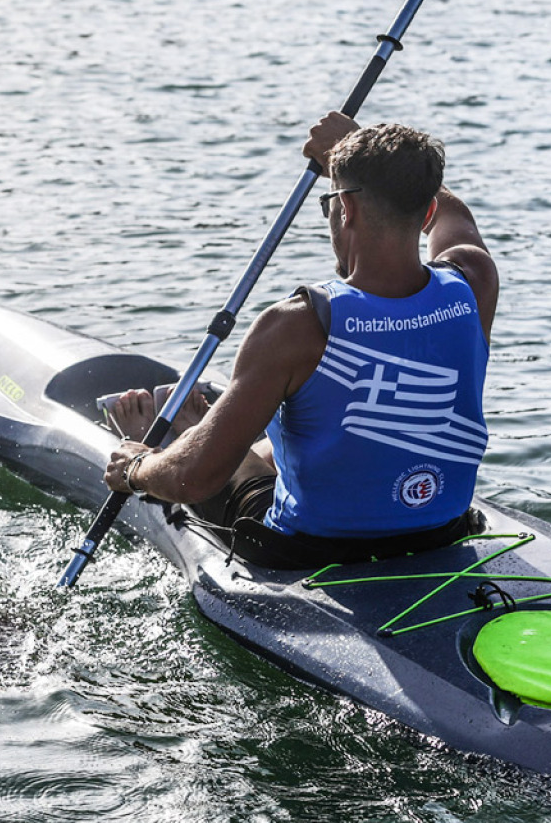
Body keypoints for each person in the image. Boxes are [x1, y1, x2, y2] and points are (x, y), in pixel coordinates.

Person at [100, 112, 499, 568]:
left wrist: (134, 468)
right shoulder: (473, 281)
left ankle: (191, 433)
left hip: (311, 548)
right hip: (441, 530)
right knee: (310, 424)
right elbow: (455, 216)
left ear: (345, 209)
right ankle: (235, 433)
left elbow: (195, 479)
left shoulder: (298, 325)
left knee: (204, 464)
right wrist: (349, 146)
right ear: (425, 210)